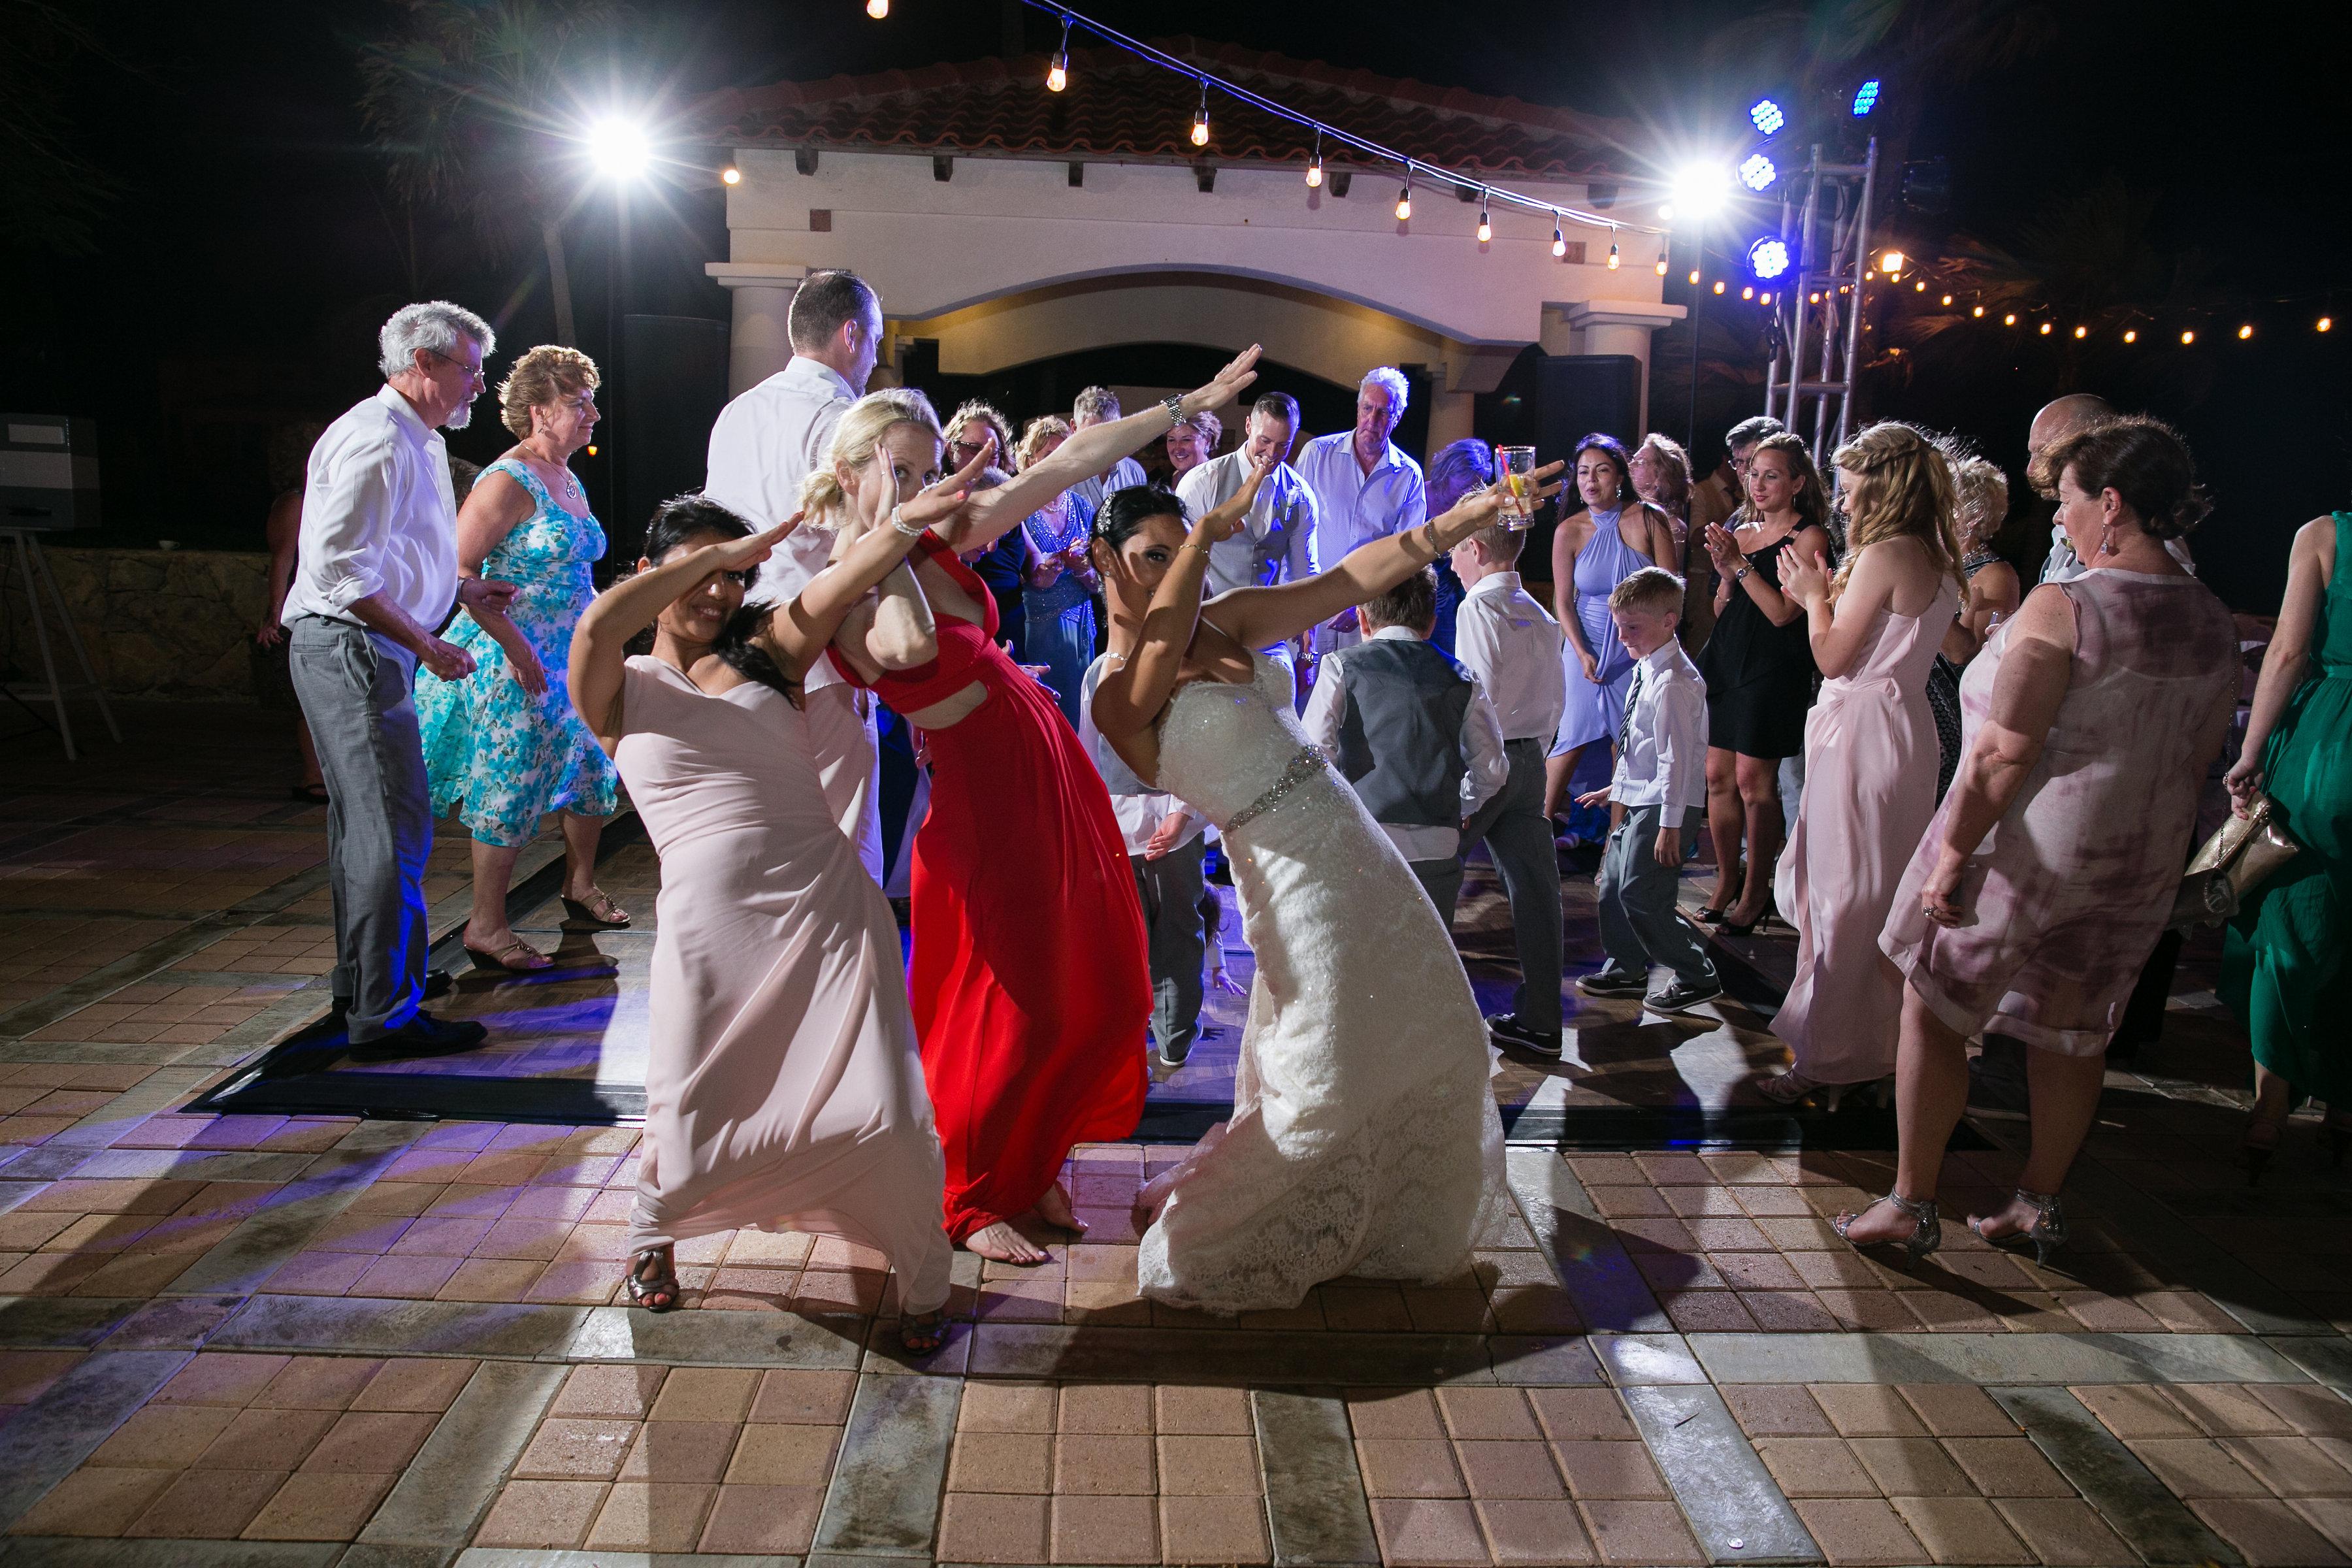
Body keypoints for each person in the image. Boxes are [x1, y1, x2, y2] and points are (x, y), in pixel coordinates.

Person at [1089, 452, 1563, 1315]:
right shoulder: (1115, 692)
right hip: (1283, 872)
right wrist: (1201, 533)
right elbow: (1151, 659)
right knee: (1326, 1067)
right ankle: (1221, 1219)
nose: (1170, 573)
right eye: (1150, 556)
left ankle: (1379, 1217)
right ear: (1103, 561)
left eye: (1174, 552)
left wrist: (1463, 520)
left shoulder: (1225, 621)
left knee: (1437, 1027)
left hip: (1354, 838)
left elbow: (1354, 574)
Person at [828, 354, 1265, 1264]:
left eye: (924, 466)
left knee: (1089, 982)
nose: (920, 487)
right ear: (850, 474)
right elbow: (907, 645)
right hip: (986, 813)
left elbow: (1065, 467)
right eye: (897, 470)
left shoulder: (931, 544)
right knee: (1006, 1003)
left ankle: (1025, 1162)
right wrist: (882, 530)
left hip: (1047, 781)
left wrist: (1189, 403)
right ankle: (970, 1190)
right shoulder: (851, 580)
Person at [567, 455, 979, 1345]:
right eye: (701, 573)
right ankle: (655, 1236)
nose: (720, 591)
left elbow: (845, 580)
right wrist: (729, 548)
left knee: (889, 1105)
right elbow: (603, 621)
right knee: (693, 1100)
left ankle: (921, 1283)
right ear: (654, 572)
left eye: (734, 576)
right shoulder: (618, 687)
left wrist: (902, 521)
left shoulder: (771, 649)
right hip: (708, 935)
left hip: (827, 909)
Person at [1852, 417, 2236, 1263]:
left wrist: (1952, 857)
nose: (2058, 521)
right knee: (2074, 1032)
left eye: (2065, 504)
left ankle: (1912, 1201)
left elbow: (2001, 754)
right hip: (2134, 863)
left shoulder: (2068, 607)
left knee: (1934, 1004)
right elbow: (2203, 753)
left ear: (2111, 503)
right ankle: (2038, 1203)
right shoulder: (2212, 619)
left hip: (2027, 855)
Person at [284, 301, 512, 1056]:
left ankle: (372, 983)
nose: (479, 386)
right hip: (355, 649)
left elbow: (392, 556)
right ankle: (385, 1015)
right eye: (470, 369)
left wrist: (456, 595)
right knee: (391, 831)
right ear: (422, 365)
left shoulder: (410, 438)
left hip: (365, 646)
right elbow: (340, 573)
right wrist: (431, 643)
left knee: (369, 833)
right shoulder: (378, 440)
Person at [1758, 423, 1962, 1104]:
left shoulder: (1885, 553)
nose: (1841, 505)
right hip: (1903, 731)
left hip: (1861, 735)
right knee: (1879, 894)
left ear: (1882, 486)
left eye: (1848, 490)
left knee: (1845, 900)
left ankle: (1829, 1063)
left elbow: (1832, 658)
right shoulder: (1936, 555)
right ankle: (1873, 1052)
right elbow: (1933, 647)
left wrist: (1815, 597)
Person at [414, 346, 625, 972]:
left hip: (575, 658)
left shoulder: (567, 474)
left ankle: (580, 883)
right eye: (577, 403)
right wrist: (515, 645)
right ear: (538, 411)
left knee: (592, 771)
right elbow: (458, 570)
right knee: (511, 786)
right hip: (519, 659)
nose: (592, 415)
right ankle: (487, 924)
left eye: (591, 401)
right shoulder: (508, 479)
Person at [704, 268, 890, 884]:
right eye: (877, 341)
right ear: (852, 334)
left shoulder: (736, 411)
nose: (875, 358)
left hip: (736, 643)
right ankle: (843, 970)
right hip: (818, 651)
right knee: (842, 825)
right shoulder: (846, 417)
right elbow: (865, 541)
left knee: (760, 824)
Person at [2223, 510, 2351, 1175]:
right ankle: (2344, 1106)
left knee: (2292, 923)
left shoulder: (2326, 537)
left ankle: (2268, 1115)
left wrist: (2249, 753)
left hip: (2330, 743)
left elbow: (2288, 651)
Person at [1448, 445, 1570, 1056]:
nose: (1449, 557)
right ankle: (1545, 1018)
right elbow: (1556, 697)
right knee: (1536, 894)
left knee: (1434, 877)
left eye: (1454, 545)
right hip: (1531, 764)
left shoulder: (1479, 607)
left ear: (1474, 548)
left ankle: (1428, 1018)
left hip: (1491, 763)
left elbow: (1476, 700)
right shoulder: (1537, 610)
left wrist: (1468, 782)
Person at [1303, 566, 1509, 923]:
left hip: (1364, 835)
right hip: (1438, 841)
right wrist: (1460, 805)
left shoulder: (1341, 666)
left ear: (1362, 620)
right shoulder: (1461, 677)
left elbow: (1315, 753)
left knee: (1365, 955)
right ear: (1431, 622)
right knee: (1430, 960)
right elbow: (1492, 769)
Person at [1695, 433, 1833, 934]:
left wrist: (1740, 565)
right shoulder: (1741, 529)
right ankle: (1725, 880)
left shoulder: (1809, 537)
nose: (1757, 483)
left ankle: (1758, 891)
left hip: (1773, 667)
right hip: (1727, 660)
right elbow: (1720, 609)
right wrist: (1727, 576)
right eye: (1752, 473)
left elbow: (1780, 614)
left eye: (1771, 475)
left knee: (1756, 783)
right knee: (1716, 777)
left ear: (1797, 482)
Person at [1573, 568, 1721, 1013]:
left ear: (1669, 621)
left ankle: (1697, 973)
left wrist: (1671, 826)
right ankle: (1627, 967)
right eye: (1619, 627)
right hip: (1641, 795)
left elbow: (1676, 760)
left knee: (1641, 893)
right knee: (1614, 885)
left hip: (1663, 805)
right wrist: (1613, 787)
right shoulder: (1647, 669)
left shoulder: (1675, 681)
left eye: (1632, 628)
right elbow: (1644, 750)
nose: (1622, 638)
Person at [1080, 652, 1208, 1069]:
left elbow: (1198, 740)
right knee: (1139, 934)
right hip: (1122, 820)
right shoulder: (1101, 669)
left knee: (1170, 928)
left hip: (1161, 820)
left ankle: (1170, 1037)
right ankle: (1144, 1035)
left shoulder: (1184, 665)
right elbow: (1089, 747)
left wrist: (1180, 813)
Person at [1544, 435, 1679, 827]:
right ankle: (1537, 833)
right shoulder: (1568, 530)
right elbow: (1563, 603)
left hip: (1637, 647)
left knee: (1630, 744)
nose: (1591, 481)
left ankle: (1615, 849)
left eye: (1602, 471)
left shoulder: (1649, 519)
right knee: (1571, 735)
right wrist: (1581, 651)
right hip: (1584, 644)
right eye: (1583, 473)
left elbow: (1672, 589)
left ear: (1619, 475)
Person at [1173, 391, 1320, 676]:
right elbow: (1179, 567)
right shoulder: (1203, 481)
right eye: (1265, 441)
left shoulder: (1300, 495)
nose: (1272, 454)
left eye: (1283, 445)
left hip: (1265, 636)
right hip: (1205, 630)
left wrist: (1307, 644)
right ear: (1249, 427)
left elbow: (1305, 574)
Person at [1294, 367, 1428, 656]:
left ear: (1397, 417)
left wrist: (1362, 602)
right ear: (1358, 407)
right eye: (1367, 408)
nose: (1372, 420)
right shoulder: (1318, 454)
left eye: (1383, 412)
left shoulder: (1408, 475)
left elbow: (1407, 555)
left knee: (1357, 696)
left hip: (1371, 613)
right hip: (1312, 606)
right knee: (1305, 698)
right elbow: (1293, 529)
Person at [1927, 450, 2021, 800]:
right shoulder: (1935, 563)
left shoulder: (1995, 574)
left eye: (1942, 503)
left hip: (1951, 713)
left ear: (1971, 514)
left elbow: (1961, 653)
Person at [1012, 416, 1100, 724]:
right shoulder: (1019, 505)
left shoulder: (1082, 506)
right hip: (1039, 628)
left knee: (1081, 715)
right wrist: (1041, 577)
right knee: (1046, 719)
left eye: (1066, 454)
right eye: (1050, 455)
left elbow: (1097, 585)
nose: (1061, 462)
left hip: (1083, 628)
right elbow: (1020, 571)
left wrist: (1082, 569)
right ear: (1031, 458)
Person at [258, 421, 328, 802]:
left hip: (302, 603)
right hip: (298, 609)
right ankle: (313, 777)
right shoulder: (296, 503)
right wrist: (275, 617)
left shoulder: (304, 497)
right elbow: (283, 560)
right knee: (306, 701)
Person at [1684, 416, 1786, 652]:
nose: (1744, 472)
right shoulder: (1736, 520)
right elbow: (1718, 602)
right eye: (1738, 463)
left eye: (1752, 462)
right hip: (1736, 643)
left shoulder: (1805, 527)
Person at [947, 401, 1029, 655]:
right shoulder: (940, 504)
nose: (984, 457)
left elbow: (1031, 560)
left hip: (1012, 620)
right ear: (951, 450)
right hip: (969, 630)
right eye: (974, 449)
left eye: (992, 450)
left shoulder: (1009, 497)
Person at [1068, 385, 1151, 515]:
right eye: (1092, 433)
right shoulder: (1063, 477)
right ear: (1074, 428)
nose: (1101, 443)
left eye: (1109, 434)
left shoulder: (1134, 472)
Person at [1631, 432, 1695, 556]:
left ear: (1661, 476)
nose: (1630, 465)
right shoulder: (1621, 516)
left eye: (1641, 462)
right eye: (1633, 460)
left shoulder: (1673, 526)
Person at [1164, 408, 1221, 480]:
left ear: (1207, 441)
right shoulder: (1165, 482)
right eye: (1172, 440)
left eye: (1186, 440)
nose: (1177, 449)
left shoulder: (1220, 481)